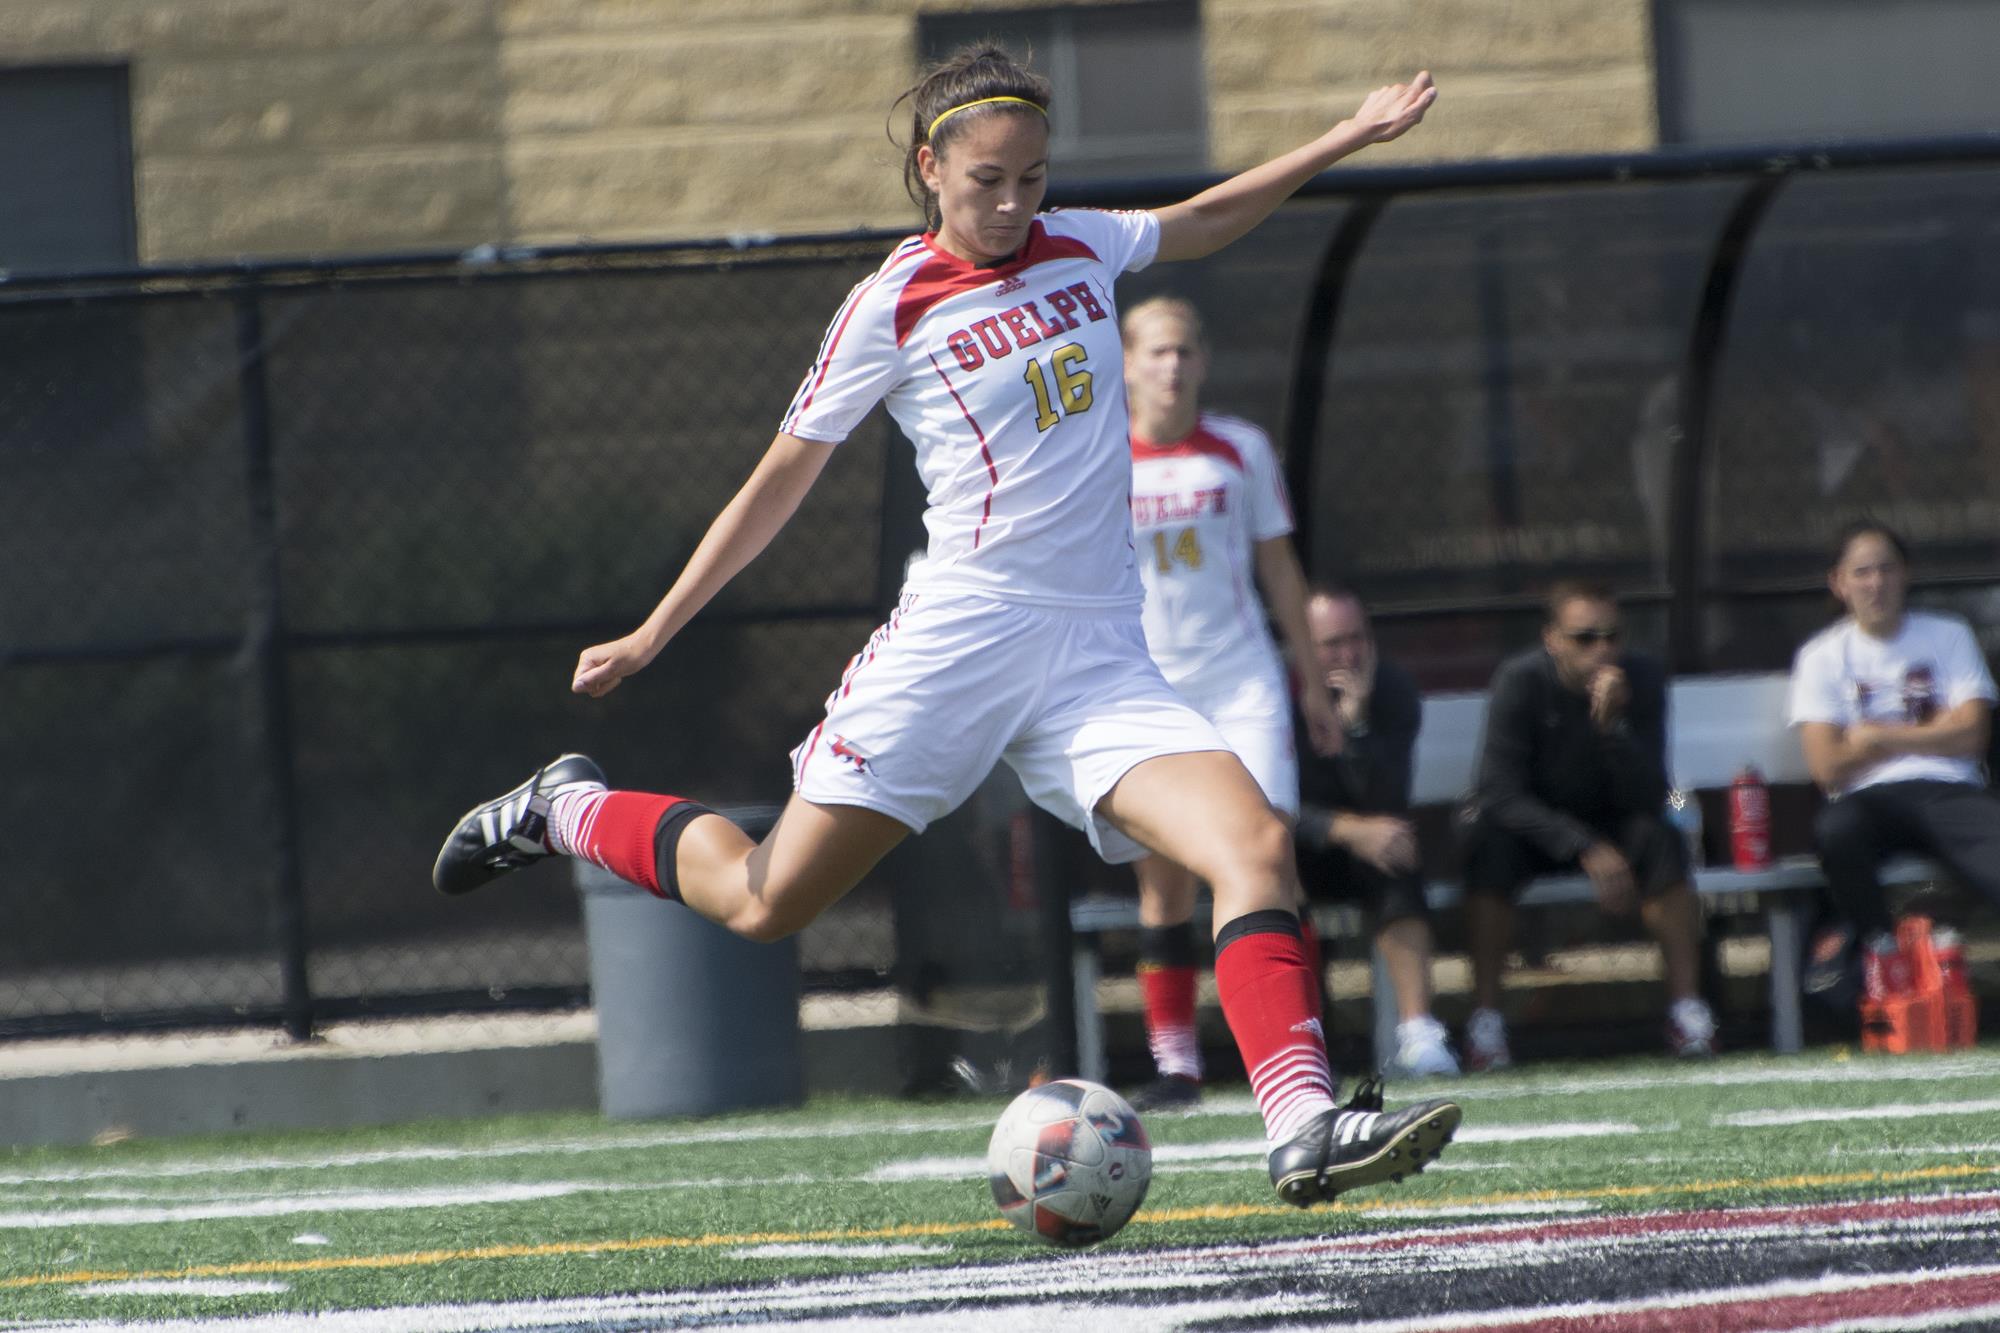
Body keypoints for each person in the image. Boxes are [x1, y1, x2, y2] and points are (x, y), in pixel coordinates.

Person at [432, 46, 1456, 1206]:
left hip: (1095, 655)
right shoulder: (890, 302)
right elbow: (778, 482)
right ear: (929, 168)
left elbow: (1205, 219)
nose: (1013, 204)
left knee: (1252, 843)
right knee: (765, 899)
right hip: (958, 646)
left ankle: (1303, 1125)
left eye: (1031, 178)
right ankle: (563, 808)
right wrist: (655, 629)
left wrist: (1345, 134)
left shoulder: (1081, 243)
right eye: (986, 181)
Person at [1118, 295, 1341, 1111]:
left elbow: (1280, 569)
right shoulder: (1098, 456)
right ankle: (1176, 1065)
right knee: (1164, 879)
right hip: (1145, 687)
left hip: (1240, 681)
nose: (1171, 365)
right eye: (1155, 351)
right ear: (1126, 363)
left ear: (1204, 361)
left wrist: (1312, 681)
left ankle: (1303, 1049)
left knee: (1268, 853)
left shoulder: (1241, 448)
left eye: (1184, 350)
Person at [1458, 581, 1717, 1069]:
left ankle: (1687, 1011)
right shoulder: (1520, 681)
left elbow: (1651, 792)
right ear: (1552, 639)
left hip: (1614, 821)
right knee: (1488, 848)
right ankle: (1485, 1023)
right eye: (1584, 638)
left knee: (1663, 839)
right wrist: (1582, 845)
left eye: (1612, 636)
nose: (1602, 650)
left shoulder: (1642, 678)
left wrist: (1613, 727)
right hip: (1535, 828)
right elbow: (1498, 792)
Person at [1792, 521, 1999, 996]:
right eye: (1862, 572)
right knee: (1836, 831)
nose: (1877, 583)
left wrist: (1873, 737)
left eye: (1887, 569)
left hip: (1948, 791)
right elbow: (1827, 767)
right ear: (1839, 583)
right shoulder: (1821, 657)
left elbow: (1973, 735)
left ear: (1906, 574)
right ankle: (1880, 953)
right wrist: (1936, 729)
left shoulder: (1948, 635)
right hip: (1869, 800)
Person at [1294, 587, 1459, 1077]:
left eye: (1357, 639)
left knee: (1396, 852)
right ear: (1302, 646)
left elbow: (1387, 798)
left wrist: (1357, 726)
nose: (1349, 655)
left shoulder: (1392, 689)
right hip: (1296, 846)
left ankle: (1418, 1033)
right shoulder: (1273, 694)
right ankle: (1298, 1038)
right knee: (1271, 866)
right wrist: (1343, 829)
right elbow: (1267, 806)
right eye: (1332, 644)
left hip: (1366, 848)